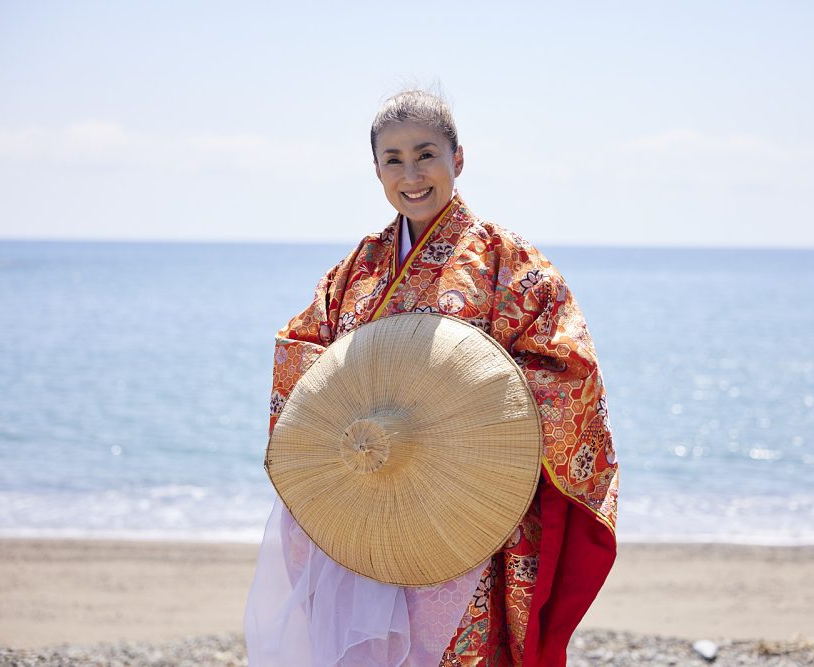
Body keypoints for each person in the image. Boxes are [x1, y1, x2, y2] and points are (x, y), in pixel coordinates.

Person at [245, 89, 619, 667]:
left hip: (464, 501)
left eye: (426, 154)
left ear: (458, 159)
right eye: (393, 159)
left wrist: (475, 407)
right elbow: (303, 353)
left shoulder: (505, 259)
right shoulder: (359, 266)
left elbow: (567, 368)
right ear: (376, 171)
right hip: (370, 487)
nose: (411, 174)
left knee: (457, 648)